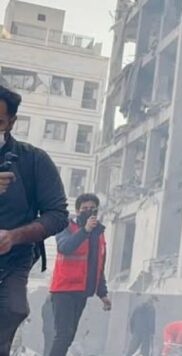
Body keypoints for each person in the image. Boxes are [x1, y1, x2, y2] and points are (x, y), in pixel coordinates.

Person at [0, 84, 69, 355]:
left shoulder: (34, 161)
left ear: (11, 123)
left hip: (13, 260)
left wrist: (14, 236)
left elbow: (58, 215)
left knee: (13, 309)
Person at [49, 193, 111, 356]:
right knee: (63, 335)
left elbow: (98, 266)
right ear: (77, 210)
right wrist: (85, 230)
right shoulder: (65, 226)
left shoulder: (98, 234)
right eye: (84, 208)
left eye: (92, 208)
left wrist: (102, 293)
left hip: (82, 291)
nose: (89, 211)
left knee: (69, 336)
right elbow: (64, 247)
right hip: (63, 289)